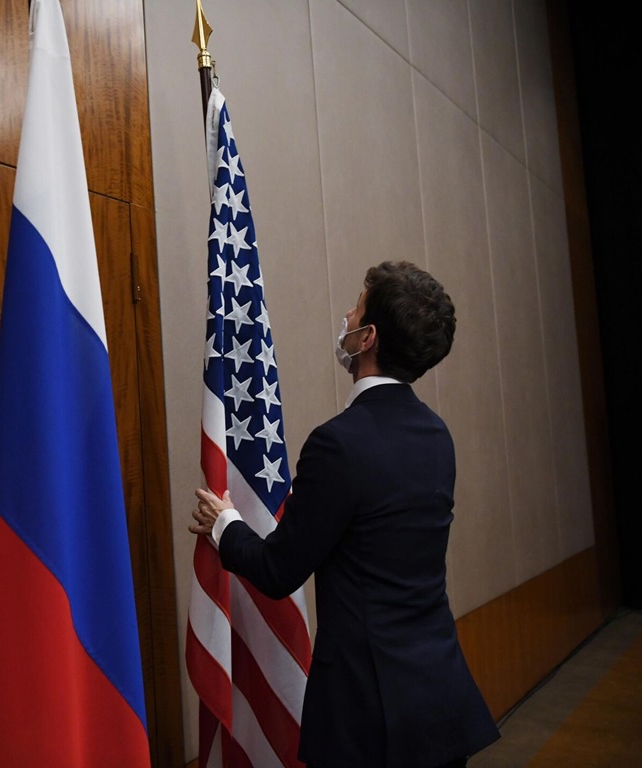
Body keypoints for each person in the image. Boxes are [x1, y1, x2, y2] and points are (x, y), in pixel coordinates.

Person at [191, 261, 500, 768]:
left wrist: (225, 525)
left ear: (368, 337)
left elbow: (278, 570)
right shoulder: (437, 435)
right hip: (440, 700)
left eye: (356, 309)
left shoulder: (337, 444)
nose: (347, 317)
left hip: (367, 715)